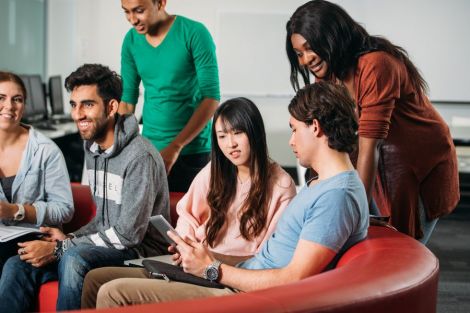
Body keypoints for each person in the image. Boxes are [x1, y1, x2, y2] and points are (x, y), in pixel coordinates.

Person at [88, 82, 369, 308]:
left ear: (316, 127)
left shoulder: (336, 196)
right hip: (237, 275)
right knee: (95, 280)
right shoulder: (321, 185)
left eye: (294, 129)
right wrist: (208, 257)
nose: (291, 141)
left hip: (242, 295)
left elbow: (294, 278)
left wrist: (212, 268)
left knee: (112, 293)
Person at [81, 97, 297, 308]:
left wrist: (210, 258)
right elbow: (187, 216)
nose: (230, 144)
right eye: (222, 136)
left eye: (237, 133)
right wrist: (184, 244)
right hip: (193, 268)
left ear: (255, 133)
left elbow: (268, 260)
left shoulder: (281, 186)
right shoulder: (215, 171)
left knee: (113, 292)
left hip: (228, 280)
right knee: (94, 279)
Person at [286, 0, 459, 243]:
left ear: (332, 36)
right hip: (380, 164)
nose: (305, 61)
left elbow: (370, 145)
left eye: (309, 48)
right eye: (299, 54)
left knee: (402, 250)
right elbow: (329, 139)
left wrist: (354, 213)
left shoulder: (376, 65)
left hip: (417, 164)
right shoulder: (328, 77)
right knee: (372, 242)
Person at [0, 64, 170, 312]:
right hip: (108, 247)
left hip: (143, 252)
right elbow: (103, 221)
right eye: (73, 104)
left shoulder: (140, 157)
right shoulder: (94, 148)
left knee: (73, 258)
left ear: (111, 107)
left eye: (88, 105)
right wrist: (69, 237)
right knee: (17, 265)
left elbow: (128, 234)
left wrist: (62, 247)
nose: (77, 114)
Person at [119, 0, 220, 192]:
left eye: (139, 11)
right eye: (126, 12)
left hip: (193, 152)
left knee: (190, 218)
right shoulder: (131, 41)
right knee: (151, 219)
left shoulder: (194, 33)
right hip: (149, 150)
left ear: (161, 3)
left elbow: (211, 97)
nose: (132, 19)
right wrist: (120, 146)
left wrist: (175, 146)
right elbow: (127, 100)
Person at [0, 72, 73, 274]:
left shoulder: (45, 150)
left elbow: (64, 209)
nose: (9, 106)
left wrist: (15, 210)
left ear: (24, 106)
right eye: (1, 98)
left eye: (17, 99)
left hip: (32, 236)